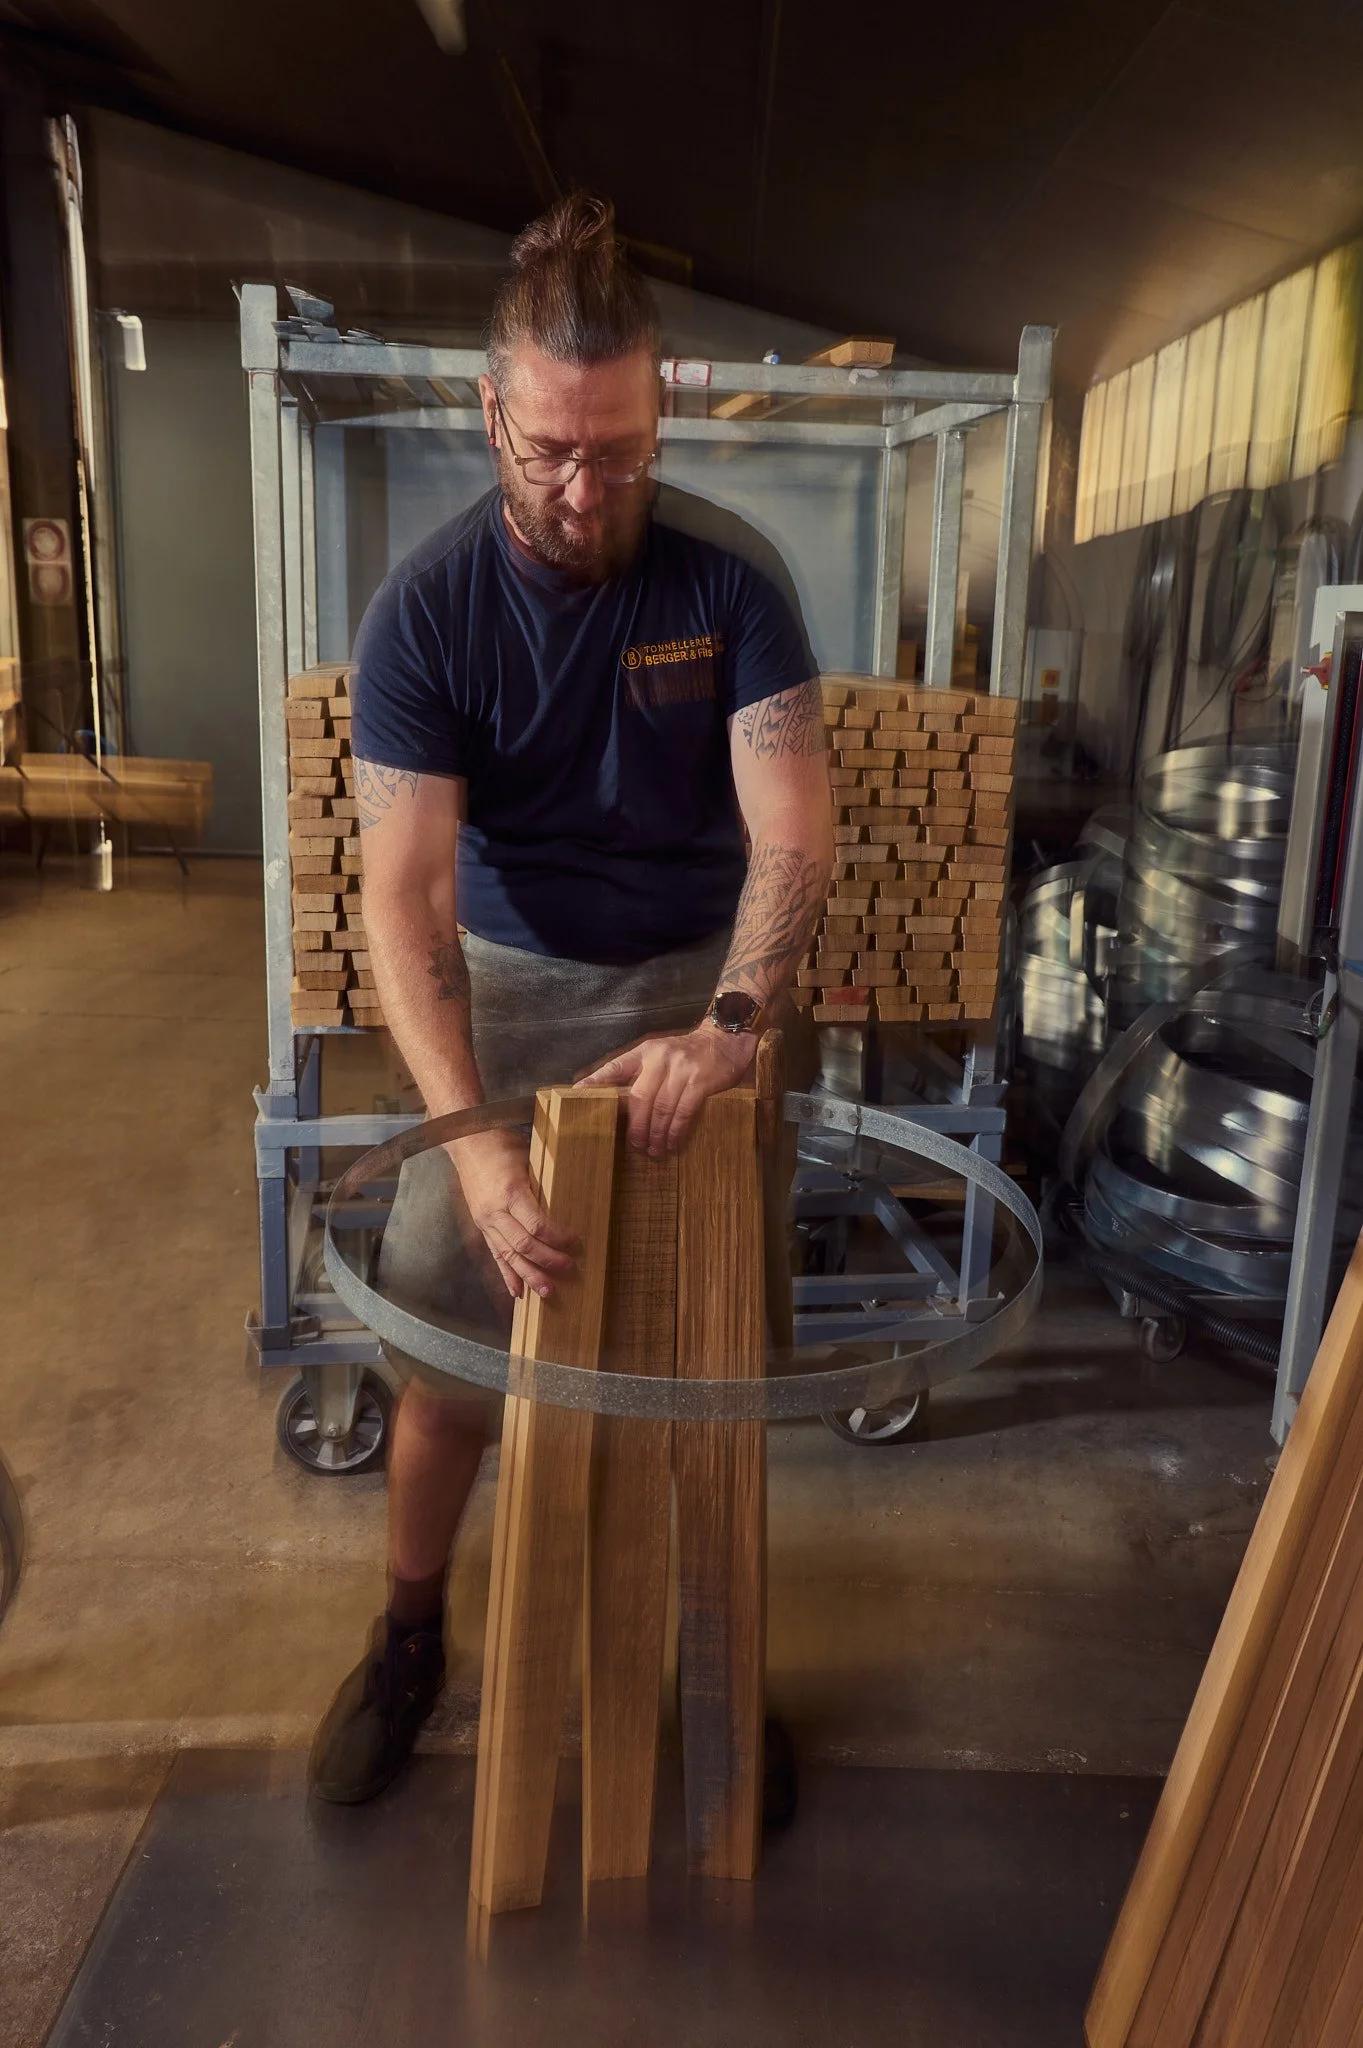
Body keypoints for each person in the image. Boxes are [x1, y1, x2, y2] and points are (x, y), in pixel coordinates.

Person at [308, 190, 834, 1806]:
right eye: (548, 449)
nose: (583, 487)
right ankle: (410, 1640)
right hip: (511, 988)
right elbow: (401, 900)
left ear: (659, 402)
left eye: (615, 448)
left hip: (701, 986)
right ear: (492, 410)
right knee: (453, 1368)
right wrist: (472, 1148)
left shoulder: (732, 584)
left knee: (704, 1377)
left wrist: (736, 1031)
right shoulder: (428, 609)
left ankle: (713, 1675)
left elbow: (794, 833)